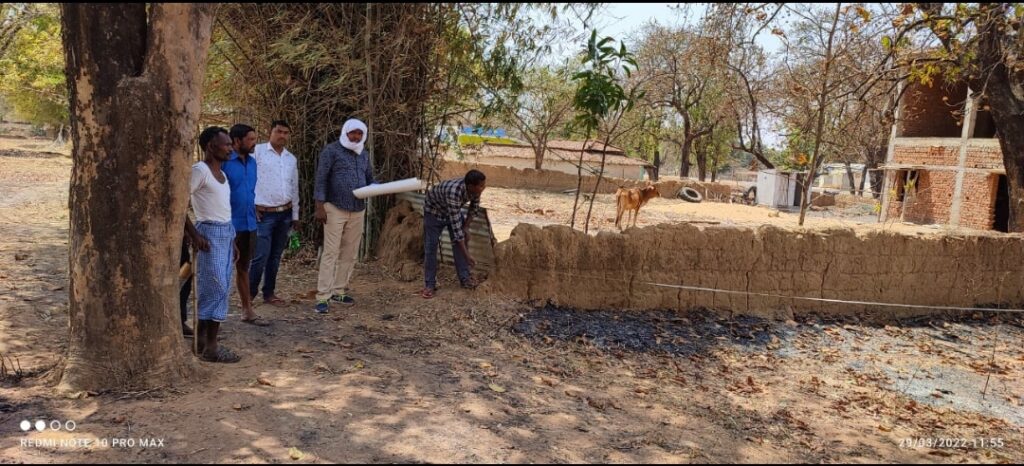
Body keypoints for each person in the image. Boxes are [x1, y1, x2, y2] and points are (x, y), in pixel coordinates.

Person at [186, 126, 241, 363]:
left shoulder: (223, 174)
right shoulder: (200, 171)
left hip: (225, 233)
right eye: (226, 144)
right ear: (211, 146)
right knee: (215, 288)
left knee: (221, 287)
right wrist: (194, 235)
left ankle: (203, 342)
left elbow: (223, 209)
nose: (230, 148)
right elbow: (179, 203)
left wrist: (233, 240)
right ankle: (210, 347)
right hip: (208, 233)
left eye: (230, 144)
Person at [313, 118, 375, 314]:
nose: (356, 137)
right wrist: (320, 206)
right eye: (353, 133)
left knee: (349, 252)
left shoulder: (363, 154)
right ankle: (323, 295)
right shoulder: (331, 151)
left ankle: (339, 290)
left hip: (357, 208)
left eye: (359, 133)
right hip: (334, 207)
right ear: (345, 132)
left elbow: (370, 179)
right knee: (331, 251)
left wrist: (381, 187)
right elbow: (321, 178)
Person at [250, 120, 300, 307]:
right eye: (279, 131)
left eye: (286, 133)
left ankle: (269, 293)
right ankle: (250, 293)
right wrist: (250, 206)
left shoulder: (290, 158)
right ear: (270, 132)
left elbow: (294, 187)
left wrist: (295, 215)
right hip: (263, 214)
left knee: (275, 255)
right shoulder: (257, 152)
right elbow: (247, 179)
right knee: (260, 256)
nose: (282, 136)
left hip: (285, 213)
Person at [223, 124, 268, 326]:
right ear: (236, 141)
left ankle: (247, 309)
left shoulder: (252, 163)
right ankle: (215, 316)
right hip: (228, 224)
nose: (254, 143)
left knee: (243, 268)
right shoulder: (223, 163)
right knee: (222, 270)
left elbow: (249, 192)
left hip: (249, 223)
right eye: (250, 139)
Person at [421, 169, 486, 299]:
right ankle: (429, 285)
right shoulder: (454, 192)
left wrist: (466, 227)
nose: (483, 188)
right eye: (481, 186)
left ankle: (465, 278)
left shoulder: (476, 190)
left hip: (451, 210)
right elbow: (457, 231)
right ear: (470, 186)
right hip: (434, 212)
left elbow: (474, 209)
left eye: (483, 185)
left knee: (459, 242)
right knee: (431, 247)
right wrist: (468, 256)